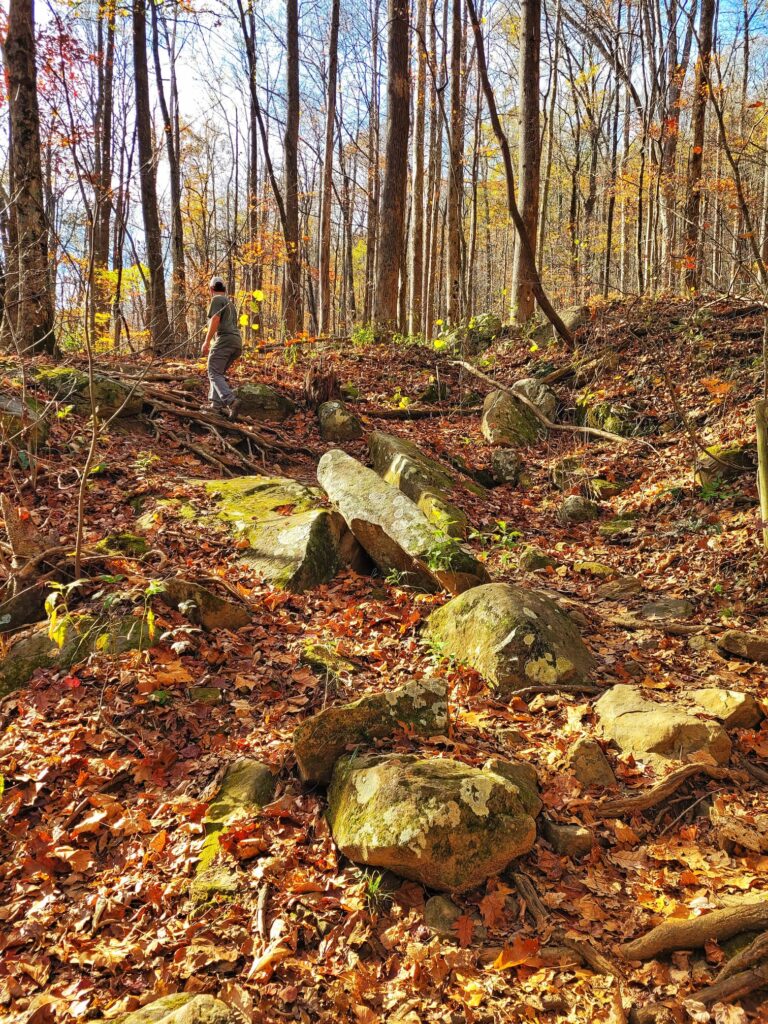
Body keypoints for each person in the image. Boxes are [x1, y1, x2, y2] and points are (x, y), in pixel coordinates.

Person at [202, 276, 242, 420]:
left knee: (213, 371)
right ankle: (215, 406)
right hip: (236, 343)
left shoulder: (217, 300)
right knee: (217, 373)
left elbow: (215, 319)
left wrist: (207, 342)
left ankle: (230, 400)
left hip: (225, 340)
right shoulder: (230, 304)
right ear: (224, 289)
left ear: (211, 289)